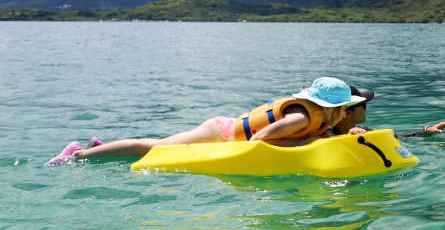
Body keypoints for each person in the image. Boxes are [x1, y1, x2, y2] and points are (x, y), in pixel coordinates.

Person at [47, 77, 367, 165]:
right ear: (330, 107)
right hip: (221, 133)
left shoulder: (316, 118)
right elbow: (259, 141)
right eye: (345, 108)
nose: (346, 113)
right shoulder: (298, 119)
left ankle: (102, 148)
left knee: (155, 146)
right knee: (152, 148)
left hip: (227, 132)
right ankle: (78, 153)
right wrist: (306, 142)